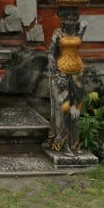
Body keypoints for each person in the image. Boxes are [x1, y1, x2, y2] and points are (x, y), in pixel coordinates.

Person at [44, 9, 86, 154]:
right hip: (61, 73)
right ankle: (63, 143)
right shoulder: (58, 33)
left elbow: (78, 44)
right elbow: (50, 52)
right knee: (64, 110)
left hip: (78, 73)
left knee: (76, 109)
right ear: (62, 19)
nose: (71, 19)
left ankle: (75, 143)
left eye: (74, 16)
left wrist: (83, 28)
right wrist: (55, 71)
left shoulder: (79, 31)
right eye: (68, 17)